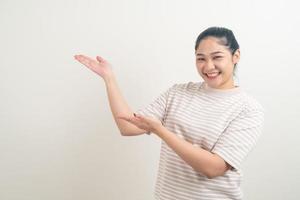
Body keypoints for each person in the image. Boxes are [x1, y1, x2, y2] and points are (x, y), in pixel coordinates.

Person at [74, 26, 264, 200]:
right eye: (201, 58)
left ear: (235, 55)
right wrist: (109, 78)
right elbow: (127, 126)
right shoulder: (178, 93)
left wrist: (160, 131)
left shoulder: (247, 108)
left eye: (217, 57)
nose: (208, 66)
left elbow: (213, 168)